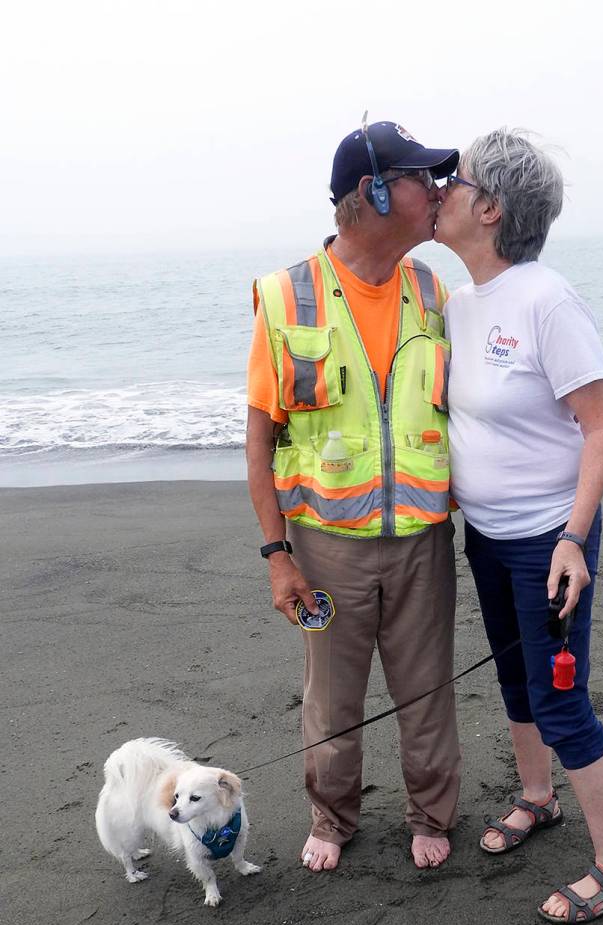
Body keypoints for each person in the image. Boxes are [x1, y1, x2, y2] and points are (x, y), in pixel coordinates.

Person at [434, 129, 603, 923]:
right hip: (487, 535)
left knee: (563, 703)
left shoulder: (547, 300)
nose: (440, 189)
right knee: (514, 679)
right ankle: (537, 797)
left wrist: (571, 537)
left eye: (454, 181)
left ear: (490, 208)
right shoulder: (458, 303)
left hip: (548, 542)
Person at [246, 120, 462, 871]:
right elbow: (260, 438)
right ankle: (332, 819)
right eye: (419, 178)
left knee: (427, 690)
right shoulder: (285, 296)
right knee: (332, 699)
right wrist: (278, 556)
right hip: (325, 546)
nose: (436, 192)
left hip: (423, 541)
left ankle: (431, 814)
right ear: (371, 192)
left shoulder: (435, 292)